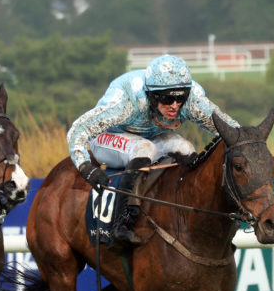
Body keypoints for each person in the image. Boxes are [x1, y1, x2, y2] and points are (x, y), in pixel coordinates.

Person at [66, 54, 240, 246]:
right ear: (152, 95)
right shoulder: (127, 100)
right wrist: (85, 167)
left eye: (180, 97)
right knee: (143, 148)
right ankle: (121, 222)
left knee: (185, 148)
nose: (175, 106)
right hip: (106, 139)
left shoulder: (192, 101)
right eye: (167, 99)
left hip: (148, 139)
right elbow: (78, 130)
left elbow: (231, 131)